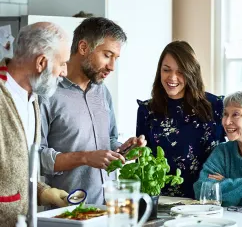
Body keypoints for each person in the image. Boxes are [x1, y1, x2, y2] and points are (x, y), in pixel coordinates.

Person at [136, 40, 242, 199]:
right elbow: (142, 159)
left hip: (207, 198)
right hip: (160, 198)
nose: (172, 77)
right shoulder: (147, 110)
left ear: (191, 72)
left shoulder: (214, 105)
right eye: (166, 70)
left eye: (181, 71)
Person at [39, 17, 147, 206]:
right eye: (107, 55)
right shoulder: (46, 93)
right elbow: (37, 157)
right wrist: (85, 157)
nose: (112, 67)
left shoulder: (102, 92)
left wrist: (125, 150)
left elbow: (109, 141)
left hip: (109, 210)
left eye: (116, 58)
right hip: (67, 213)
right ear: (83, 48)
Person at [0, 22, 71, 227]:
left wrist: (43, 191)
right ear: (41, 63)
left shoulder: (33, 98)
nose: (64, 72)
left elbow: (14, 170)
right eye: (62, 63)